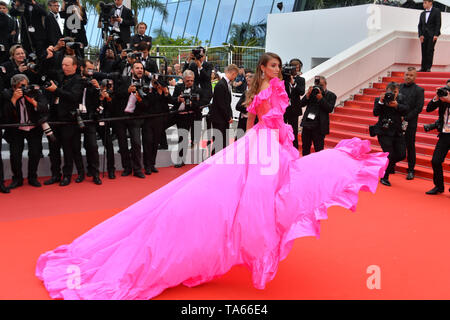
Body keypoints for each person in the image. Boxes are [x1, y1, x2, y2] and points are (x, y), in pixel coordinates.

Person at [35, 52, 388, 300]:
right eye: (275, 65)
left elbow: (253, 121)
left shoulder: (259, 91)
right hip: (265, 147)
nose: (279, 69)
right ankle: (246, 244)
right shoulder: (274, 90)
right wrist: (283, 143)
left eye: (280, 65)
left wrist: (271, 139)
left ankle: (244, 242)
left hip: (256, 145)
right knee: (259, 199)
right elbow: (274, 123)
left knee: (253, 198)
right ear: (264, 68)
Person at [2, 74, 49, 189]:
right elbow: (4, 116)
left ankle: (32, 177)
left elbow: (45, 107)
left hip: (33, 127)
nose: (24, 89)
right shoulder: (7, 94)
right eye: (21, 86)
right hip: (16, 129)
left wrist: (33, 102)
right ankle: (17, 178)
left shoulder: (35, 92)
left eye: (25, 85)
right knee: (15, 155)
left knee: (35, 153)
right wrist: (13, 99)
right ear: (13, 87)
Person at [44, 55, 84, 187]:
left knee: (68, 150)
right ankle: (55, 175)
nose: (64, 67)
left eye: (67, 65)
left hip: (68, 119)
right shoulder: (60, 76)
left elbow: (73, 97)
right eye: (62, 65)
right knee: (53, 150)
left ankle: (67, 175)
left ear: (74, 66)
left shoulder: (78, 80)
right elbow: (45, 71)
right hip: (54, 118)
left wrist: (57, 90)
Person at [372, 82, 408, 187]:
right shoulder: (380, 100)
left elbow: (407, 110)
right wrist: (381, 102)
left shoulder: (401, 100)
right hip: (384, 132)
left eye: (395, 92)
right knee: (389, 154)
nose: (392, 94)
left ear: (398, 92)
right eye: (390, 92)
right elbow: (375, 113)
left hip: (397, 131)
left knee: (402, 154)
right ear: (386, 91)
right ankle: (385, 177)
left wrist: (397, 106)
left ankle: (387, 165)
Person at [170, 70, 203, 168]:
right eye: (188, 80)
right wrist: (178, 99)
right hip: (180, 115)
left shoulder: (198, 90)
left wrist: (193, 104)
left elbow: (201, 104)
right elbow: (172, 100)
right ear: (183, 80)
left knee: (192, 137)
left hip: (192, 115)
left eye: (192, 81)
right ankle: (180, 159)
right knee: (182, 137)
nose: (190, 83)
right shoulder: (178, 87)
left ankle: (188, 158)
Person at [299, 76, 336, 156]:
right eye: (317, 84)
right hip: (307, 124)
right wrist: (308, 95)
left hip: (319, 127)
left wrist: (321, 99)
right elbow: (301, 104)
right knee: (305, 148)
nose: (319, 87)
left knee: (319, 150)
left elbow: (329, 109)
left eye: (321, 85)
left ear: (326, 84)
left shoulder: (331, 95)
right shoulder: (312, 93)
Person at [424, 81, 450, 195]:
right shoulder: (442, 99)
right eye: (447, 87)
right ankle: (439, 186)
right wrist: (437, 97)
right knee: (436, 161)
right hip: (444, 135)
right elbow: (428, 109)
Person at [399, 67, 424, 180]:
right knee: (395, 143)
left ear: (415, 77)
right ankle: (391, 166)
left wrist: (406, 118)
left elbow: (418, 108)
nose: (408, 77)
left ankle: (410, 170)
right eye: (407, 74)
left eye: (411, 75)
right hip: (397, 120)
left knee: (410, 146)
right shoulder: (399, 87)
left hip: (410, 122)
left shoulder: (419, 90)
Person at [209, 64, 238, 154]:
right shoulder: (221, 85)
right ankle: (213, 161)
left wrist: (230, 116)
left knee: (223, 142)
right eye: (236, 75)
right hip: (219, 119)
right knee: (219, 142)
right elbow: (221, 105)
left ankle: (219, 161)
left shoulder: (225, 84)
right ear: (233, 73)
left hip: (222, 118)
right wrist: (228, 117)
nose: (235, 77)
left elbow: (227, 103)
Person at [284, 58, 305, 149]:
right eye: (294, 67)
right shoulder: (283, 78)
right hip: (283, 108)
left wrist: (293, 83)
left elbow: (301, 92)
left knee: (294, 131)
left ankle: (294, 149)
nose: (296, 69)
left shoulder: (301, 80)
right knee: (282, 130)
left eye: (298, 67)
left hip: (294, 109)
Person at [418, 0, 441, 72]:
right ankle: (423, 67)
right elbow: (419, 25)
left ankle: (428, 67)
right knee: (423, 51)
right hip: (424, 35)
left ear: (430, 2)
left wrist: (436, 34)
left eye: (425, 2)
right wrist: (420, 35)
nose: (423, 4)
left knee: (430, 50)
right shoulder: (422, 13)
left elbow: (438, 23)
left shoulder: (436, 11)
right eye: (423, 3)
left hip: (432, 35)